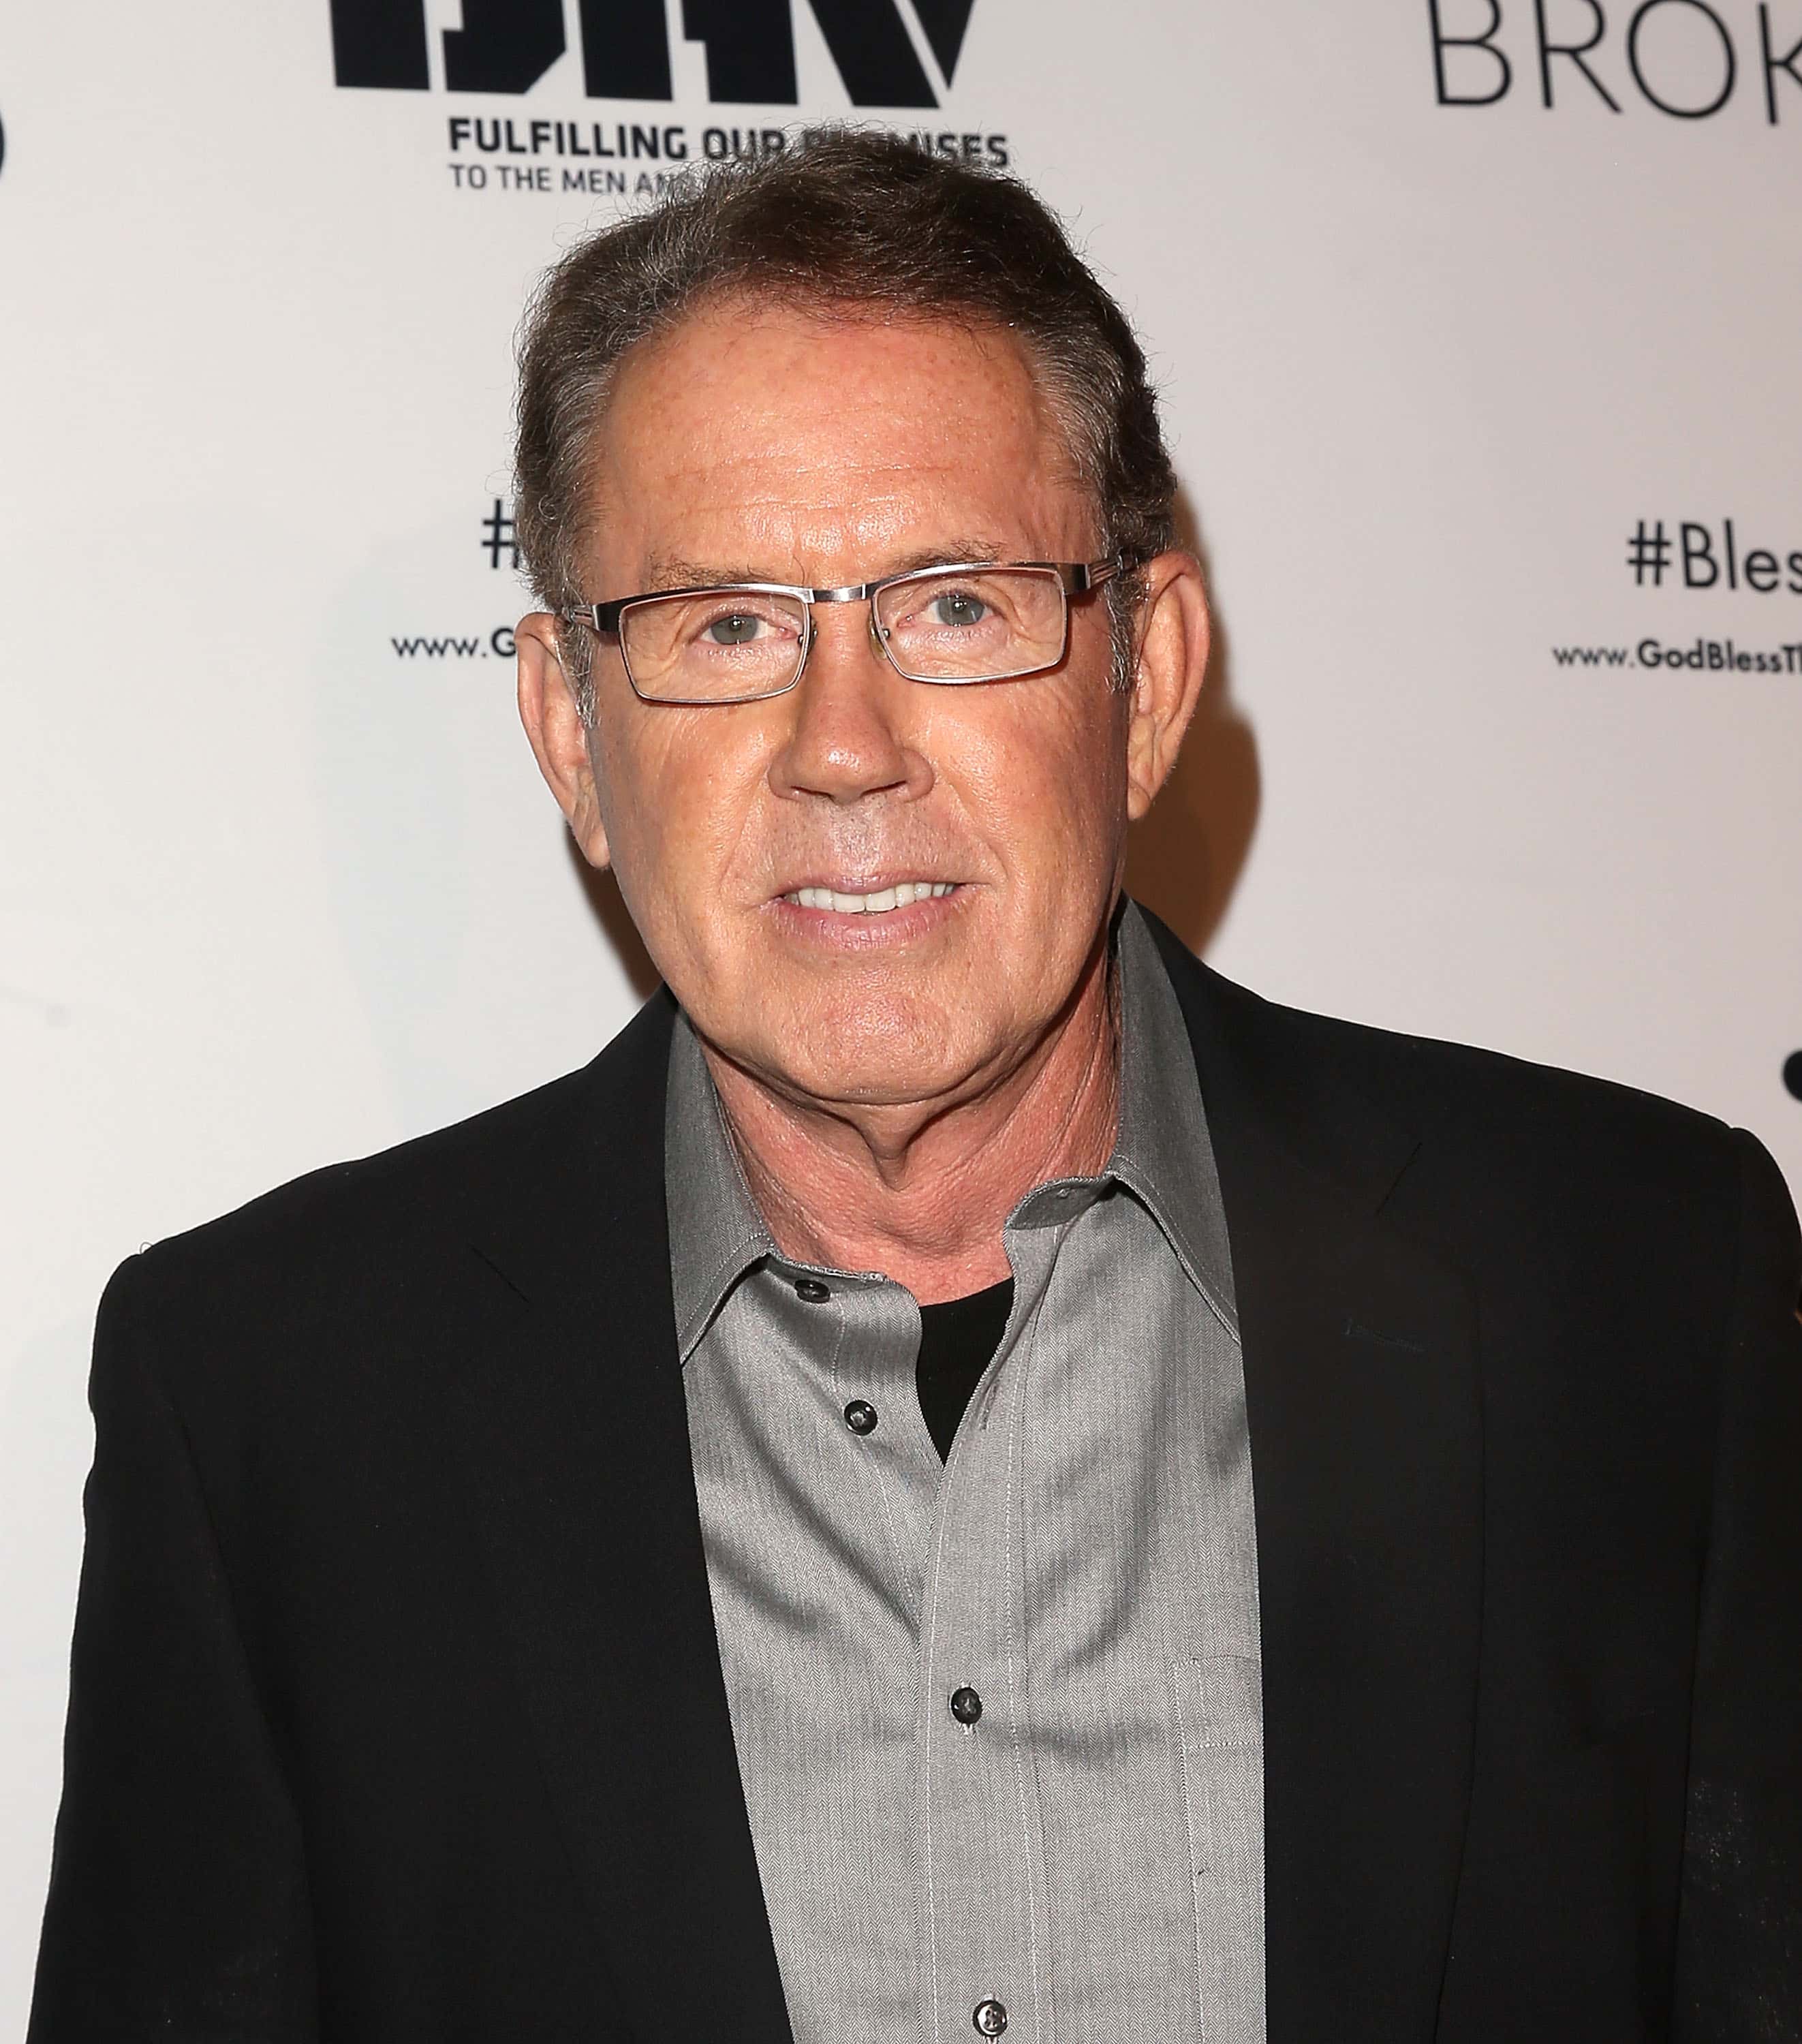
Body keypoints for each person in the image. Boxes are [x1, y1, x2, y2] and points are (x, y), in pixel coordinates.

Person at [29, 129, 1801, 2044]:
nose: (845, 747)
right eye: (727, 626)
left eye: (954, 605)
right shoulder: (273, 1411)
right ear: (569, 732)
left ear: (1145, 681)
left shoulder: (1635, 1290)